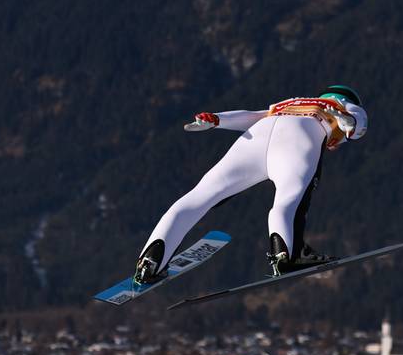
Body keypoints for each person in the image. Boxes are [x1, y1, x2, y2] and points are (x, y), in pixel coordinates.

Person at [134, 85, 368, 283]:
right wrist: (349, 121)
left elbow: (252, 116)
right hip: (300, 137)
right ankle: (286, 256)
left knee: (200, 196)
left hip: (258, 135)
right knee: (289, 199)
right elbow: (358, 125)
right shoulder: (342, 105)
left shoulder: (292, 102)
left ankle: (151, 261)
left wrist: (217, 120)